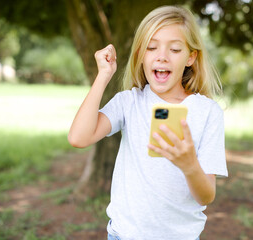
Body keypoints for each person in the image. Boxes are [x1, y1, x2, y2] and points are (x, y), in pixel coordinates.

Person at [68, 5, 228, 240]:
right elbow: (78, 138)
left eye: (174, 49)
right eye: (152, 47)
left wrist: (189, 165)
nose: (161, 55)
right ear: (141, 54)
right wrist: (103, 75)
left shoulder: (207, 112)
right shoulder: (129, 102)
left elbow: (206, 196)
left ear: (191, 57)